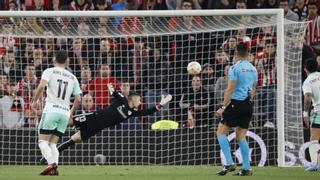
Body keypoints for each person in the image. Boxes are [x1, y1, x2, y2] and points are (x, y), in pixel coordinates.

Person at [41, 83, 172, 161]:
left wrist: (160, 104)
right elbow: (114, 93)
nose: (140, 102)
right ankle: (48, 128)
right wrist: (111, 88)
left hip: (96, 129)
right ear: (133, 98)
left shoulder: (133, 112)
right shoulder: (123, 101)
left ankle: (47, 158)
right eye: (139, 100)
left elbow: (147, 112)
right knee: (67, 121)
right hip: (93, 117)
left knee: (72, 140)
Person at [31, 50, 82, 176]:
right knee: (53, 144)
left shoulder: (49, 71)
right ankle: (54, 170)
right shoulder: (72, 77)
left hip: (51, 110)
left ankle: (51, 164)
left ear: (54, 60)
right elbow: (79, 98)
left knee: (43, 142)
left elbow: (42, 86)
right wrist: (70, 112)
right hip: (64, 113)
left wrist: (35, 101)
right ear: (67, 61)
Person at [215, 42, 258, 176]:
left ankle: (229, 163)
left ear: (235, 53)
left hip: (235, 104)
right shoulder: (253, 69)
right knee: (241, 136)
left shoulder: (235, 68)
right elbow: (254, 89)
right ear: (247, 53)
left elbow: (230, 88)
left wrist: (223, 107)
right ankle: (246, 168)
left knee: (221, 132)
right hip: (247, 105)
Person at [302, 58, 320, 171]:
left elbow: (307, 98)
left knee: (314, 138)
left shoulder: (307, 81)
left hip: (319, 111)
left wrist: (305, 114)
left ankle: (315, 164)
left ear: (305, 69)